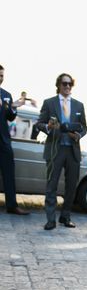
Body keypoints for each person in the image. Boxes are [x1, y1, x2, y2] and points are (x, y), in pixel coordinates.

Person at [36, 73, 87, 229]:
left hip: (72, 150)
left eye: (70, 84)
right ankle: (50, 219)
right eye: (64, 84)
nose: (67, 87)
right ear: (58, 85)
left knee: (72, 186)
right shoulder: (49, 103)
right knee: (51, 185)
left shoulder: (79, 105)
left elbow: (84, 127)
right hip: (55, 149)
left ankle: (65, 216)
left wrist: (78, 135)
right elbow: (39, 123)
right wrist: (48, 127)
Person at [0, 65, 29, 215]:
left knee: (9, 174)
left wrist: (14, 107)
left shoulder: (6, 94)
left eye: (2, 76)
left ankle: (12, 205)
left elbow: (10, 117)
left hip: (4, 141)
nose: (1, 78)